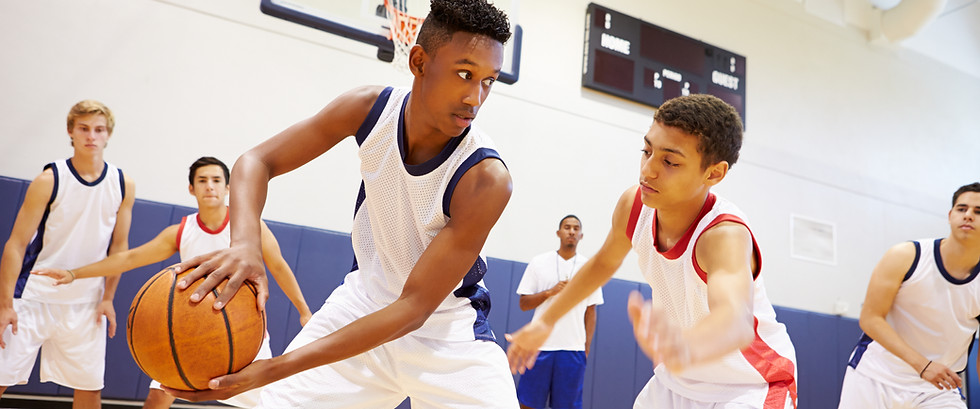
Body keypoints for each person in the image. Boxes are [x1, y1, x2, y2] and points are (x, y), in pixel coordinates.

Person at [161, 1, 518, 407]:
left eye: (489, 81)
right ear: (418, 61)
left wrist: (275, 368)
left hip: (446, 336)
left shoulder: (486, 179)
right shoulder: (369, 109)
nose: (475, 96)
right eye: (465, 73)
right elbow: (256, 161)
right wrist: (244, 244)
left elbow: (413, 309)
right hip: (362, 305)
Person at [506, 94, 798, 409]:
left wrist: (686, 345)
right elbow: (603, 263)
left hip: (749, 386)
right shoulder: (634, 206)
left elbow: (735, 320)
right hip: (675, 382)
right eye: (647, 151)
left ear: (713, 173)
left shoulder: (724, 235)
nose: (648, 170)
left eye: (670, 161)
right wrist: (546, 321)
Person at [33, 156, 313, 409]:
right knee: (158, 397)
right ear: (191, 189)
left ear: (227, 187)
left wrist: (303, 310)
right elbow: (130, 258)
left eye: (216, 180)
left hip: (241, 331)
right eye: (202, 181)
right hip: (187, 329)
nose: (209, 186)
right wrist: (74, 274)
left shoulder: (250, 226)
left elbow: (277, 265)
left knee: (266, 402)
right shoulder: (180, 231)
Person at [0, 100, 136, 409]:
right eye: (84, 129)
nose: (91, 136)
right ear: (70, 132)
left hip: (86, 303)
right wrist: (5, 304)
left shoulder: (123, 184)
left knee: (89, 393)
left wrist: (107, 298)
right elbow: (16, 244)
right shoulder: (49, 180)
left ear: (108, 135)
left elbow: (120, 248)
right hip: (33, 296)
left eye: (99, 130)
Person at [838, 183, 980, 409]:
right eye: (962, 209)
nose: (969, 215)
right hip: (877, 375)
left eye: (978, 211)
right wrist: (923, 365)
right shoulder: (906, 256)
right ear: (950, 215)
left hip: (937, 390)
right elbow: (870, 318)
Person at [515, 214, 603, 409]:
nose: (571, 231)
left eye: (575, 228)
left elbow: (591, 311)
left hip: (572, 350)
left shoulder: (590, 268)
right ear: (558, 233)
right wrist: (549, 292)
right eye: (567, 227)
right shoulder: (539, 262)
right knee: (528, 403)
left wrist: (586, 346)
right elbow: (523, 303)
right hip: (539, 347)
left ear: (581, 235)